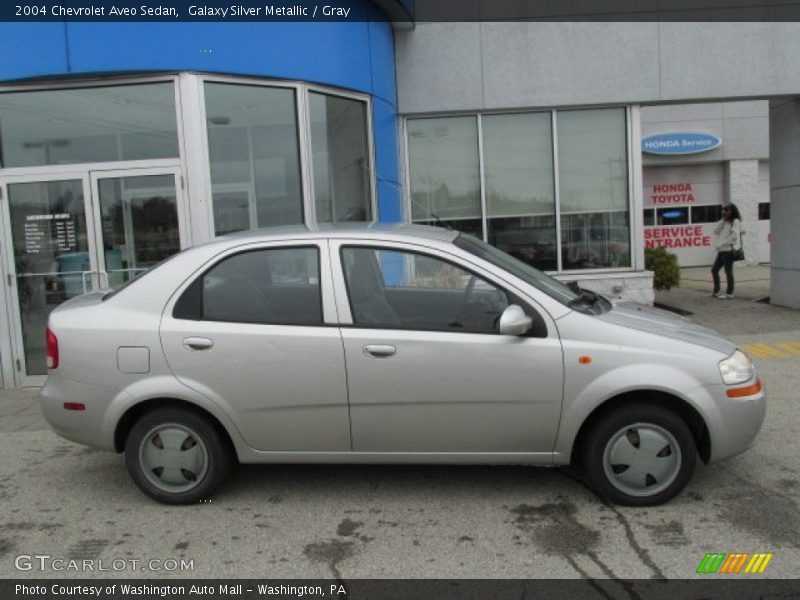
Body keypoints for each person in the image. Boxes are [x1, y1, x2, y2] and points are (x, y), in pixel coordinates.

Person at [711, 203, 742, 299]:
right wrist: (722, 220)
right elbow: (716, 231)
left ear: (732, 211)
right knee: (714, 270)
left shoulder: (735, 221)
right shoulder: (725, 222)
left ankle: (729, 293)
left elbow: (734, 236)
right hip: (722, 251)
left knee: (728, 272)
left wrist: (722, 243)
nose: (725, 211)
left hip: (728, 250)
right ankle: (716, 291)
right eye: (724, 210)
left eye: (727, 210)